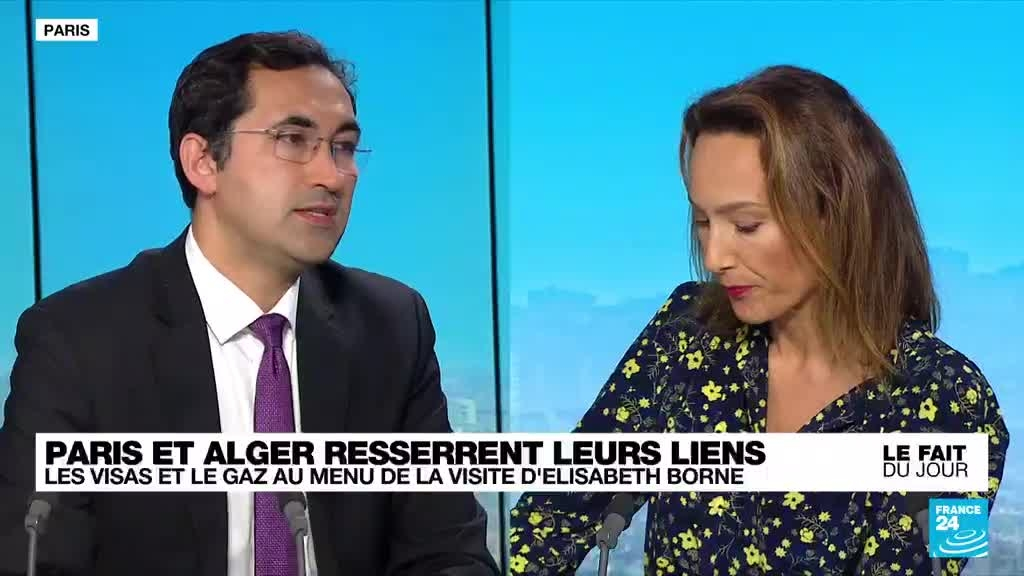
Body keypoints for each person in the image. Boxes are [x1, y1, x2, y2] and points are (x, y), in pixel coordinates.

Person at [0, 31, 499, 576]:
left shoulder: (392, 327)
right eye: (293, 140)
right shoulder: (78, 341)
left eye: (343, 147)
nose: (332, 175)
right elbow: (38, 559)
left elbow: (448, 553)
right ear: (203, 162)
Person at [507, 65, 1010, 575]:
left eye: (746, 225)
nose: (714, 256)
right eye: (702, 221)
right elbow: (549, 520)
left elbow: (938, 559)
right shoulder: (682, 333)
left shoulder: (957, 402)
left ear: (836, 214)